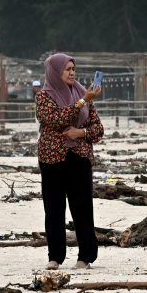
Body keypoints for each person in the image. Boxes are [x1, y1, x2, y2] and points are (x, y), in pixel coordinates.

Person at [35, 53, 104, 270]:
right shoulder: (44, 97)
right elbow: (55, 119)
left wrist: (80, 132)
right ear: (55, 72)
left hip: (79, 158)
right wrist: (84, 101)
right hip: (52, 158)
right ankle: (55, 257)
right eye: (67, 69)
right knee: (54, 209)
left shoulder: (84, 95)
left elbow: (98, 130)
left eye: (74, 68)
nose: (72, 72)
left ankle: (85, 257)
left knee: (82, 208)